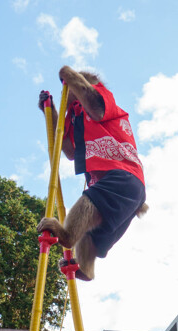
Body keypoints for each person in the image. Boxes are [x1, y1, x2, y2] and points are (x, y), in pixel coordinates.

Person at [37, 65, 147, 281]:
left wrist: (67, 74)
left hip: (124, 177)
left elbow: (95, 107)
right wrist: (50, 113)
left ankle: (67, 234)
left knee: (88, 201)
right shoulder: (75, 117)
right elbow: (68, 148)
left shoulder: (102, 100)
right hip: (121, 188)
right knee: (89, 235)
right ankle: (85, 267)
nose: (64, 95)